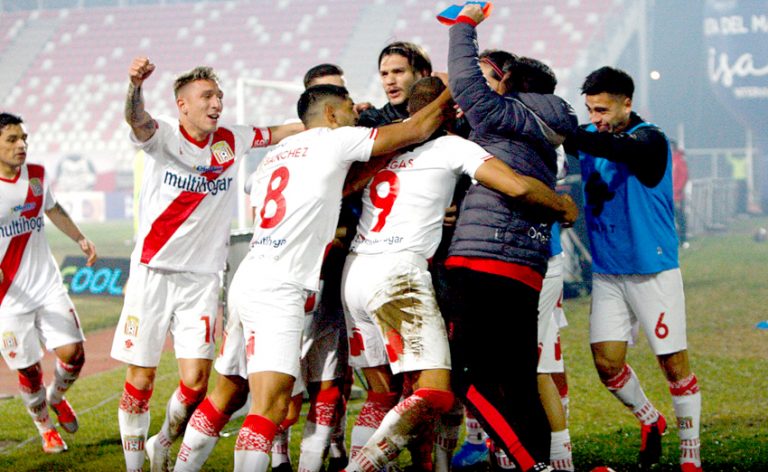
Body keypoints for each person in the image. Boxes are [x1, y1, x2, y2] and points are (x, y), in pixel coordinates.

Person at [341, 77, 577, 472]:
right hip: (398, 275)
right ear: (450, 112)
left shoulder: (384, 153)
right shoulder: (452, 146)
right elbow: (516, 186)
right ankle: (358, 469)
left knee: (389, 395)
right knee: (437, 391)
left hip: (355, 275)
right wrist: (562, 205)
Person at [228, 83, 452, 472]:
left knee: (244, 398)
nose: (357, 115)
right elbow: (417, 129)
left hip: (250, 274)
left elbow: (336, 186)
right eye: (349, 109)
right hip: (282, 285)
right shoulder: (336, 141)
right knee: (269, 406)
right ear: (331, 115)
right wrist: (456, 90)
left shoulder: (275, 157)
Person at [110, 57, 302, 472]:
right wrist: (134, 84)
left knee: (196, 383)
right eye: (207, 97)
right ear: (182, 105)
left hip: (201, 280)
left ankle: (162, 441)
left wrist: (327, 122)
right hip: (153, 273)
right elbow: (135, 118)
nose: (217, 103)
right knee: (140, 380)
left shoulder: (231, 138)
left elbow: (281, 131)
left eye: (219, 96)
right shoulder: (162, 135)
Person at [442, 5, 579, 472]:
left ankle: (529, 465)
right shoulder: (544, 134)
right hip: (526, 264)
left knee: (466, 377)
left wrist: (463, 27)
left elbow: (465, 85)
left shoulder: (506, 117)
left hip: (481, 260)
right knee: (519, 378)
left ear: (512, 85)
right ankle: (536, 460)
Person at [564, 66, 702, 472]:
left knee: (673, 364)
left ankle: (690, 453)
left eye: (603, 110)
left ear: (628, 103)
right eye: (590, 110)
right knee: (607, 364)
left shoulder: (651, 139)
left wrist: (573, 132)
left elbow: (623, 150)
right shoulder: (594, 139)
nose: (596, 118)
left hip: (652, 270)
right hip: (607, 273)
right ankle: (650, 418)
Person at [0, 112, 97, 453]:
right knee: (27, 369)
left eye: (24, 138)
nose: (21, 145)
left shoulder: (37, 176)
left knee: (74, 354)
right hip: (7, 298)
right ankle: (45, 428)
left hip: (47, 285)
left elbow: (53, 209)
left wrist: (80, 239)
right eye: (12, 139)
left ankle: (57, 398)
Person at [358, 41, 432, 128]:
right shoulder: (370, 121)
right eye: (384, 74)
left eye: (398, 72)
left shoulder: (447, 114)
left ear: (423, 74)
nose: (389, 81)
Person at [671, 140, 689, 247]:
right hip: (666, 195)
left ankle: (683, 239)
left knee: (679, 217)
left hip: (676, 195)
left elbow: (684, 176)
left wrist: (677, 189)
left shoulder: (679, 160)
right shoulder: (665, 160)